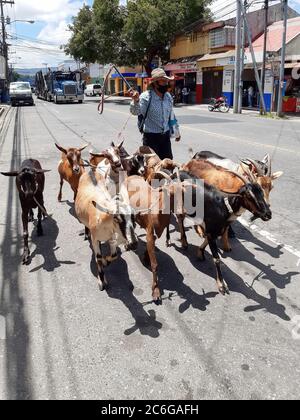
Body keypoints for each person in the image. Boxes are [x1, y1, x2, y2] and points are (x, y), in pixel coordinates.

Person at [129, 68, 181, 160]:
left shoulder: (168, 96)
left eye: (166, 81)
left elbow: (171, 115)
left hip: (165, 136)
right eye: (163, 81)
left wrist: (176, 131)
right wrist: (136, 100)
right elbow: (135, 112)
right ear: (155, 83)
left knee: (168, 164)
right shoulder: (146, 97)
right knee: (152, 167)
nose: (166, 83)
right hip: (151, 138)